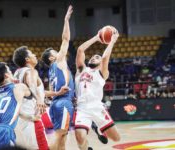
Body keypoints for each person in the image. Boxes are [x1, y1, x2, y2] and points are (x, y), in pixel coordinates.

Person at [75, 27, 120, 150]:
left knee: (116, 138)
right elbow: (80, 50)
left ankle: (100, 129)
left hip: (96, 107)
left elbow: (105, 58)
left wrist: (112, 41)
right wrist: (97, 37)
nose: (93, 58)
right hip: (82, 108)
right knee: (80, 138)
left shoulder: (102, 73)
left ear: (100, 63)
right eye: (92, 57)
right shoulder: (81, 70)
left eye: (97, 58)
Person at [41, 5, 74, 150]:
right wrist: (66, 20)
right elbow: (66, 39)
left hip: (54, 105)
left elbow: (46, 92)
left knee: (62, 138)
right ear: (52, 57)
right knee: (60, 136)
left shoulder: (50, 72)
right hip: (63, 103)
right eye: (56, 51)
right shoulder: (59, 61)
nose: (59, 51)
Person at [0, 62, 31, 150]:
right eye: (10, 71)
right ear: (6, 75)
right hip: (3, 132)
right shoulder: (18, 87)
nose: (12, 73)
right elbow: (30, 93)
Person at [13, 46, 50, 150]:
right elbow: (32, 84)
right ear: (27, 59)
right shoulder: (31, 71)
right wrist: (39, 99)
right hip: (31, 119)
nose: (35, 55)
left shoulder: (17, 73)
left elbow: (35, 91)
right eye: (32, 53)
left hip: (20, 119)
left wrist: (56, 93)